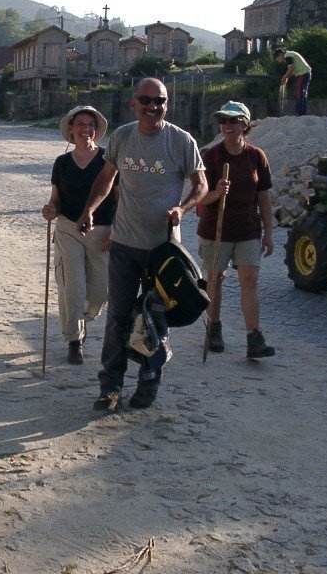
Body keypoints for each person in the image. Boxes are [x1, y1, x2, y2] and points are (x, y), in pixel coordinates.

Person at [78, 78, 206, 411]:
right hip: (124, 244)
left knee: (155, 318)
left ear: (167, 103)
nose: (153, 106)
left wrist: (183, 209)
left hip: (163, 250)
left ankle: (148, 384)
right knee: (118, 317)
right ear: (133, 103)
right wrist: (90, 210)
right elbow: (106, 180)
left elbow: (201, 185)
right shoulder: (122, 137)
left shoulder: (181, 141)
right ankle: (110, 387)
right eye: (146, 100)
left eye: (159, 100)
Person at [197, 101, 276, 359]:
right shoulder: (211, 156)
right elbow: (199, 196)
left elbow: (263, 197)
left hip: (247, 229)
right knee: (215, 279)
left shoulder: (256, 156)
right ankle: (214, 328)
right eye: (223, 120)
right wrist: (216, 193)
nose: (227, 125)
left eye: (233, 120)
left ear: (245, 124)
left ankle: (254, 338)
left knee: (250, 280)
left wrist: (268, 233)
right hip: (215, 229)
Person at [42, 105, 116, 365]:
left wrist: (117, 229)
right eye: (81, 124)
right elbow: (56, 199)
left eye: (90, 125)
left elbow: (120, 198)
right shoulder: (62, 163)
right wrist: (51, 210)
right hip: (68, 229)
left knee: (100, 292)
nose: (86, 129)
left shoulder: (108, 160)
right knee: (72, 286)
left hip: (102, 232)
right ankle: (74, 339)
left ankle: (81, 318)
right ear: (71, 129)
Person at [276, 48, 312, 115]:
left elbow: (291, 69)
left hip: (302, 74)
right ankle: (302, 112)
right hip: (306, 73)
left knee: (300, 93)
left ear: (280, 54)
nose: (279, 60)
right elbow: (292, 71)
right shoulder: (290, 53)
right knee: (302, 93)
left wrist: (284, 77)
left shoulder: (287, 56)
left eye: (278, 58)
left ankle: (301, 113)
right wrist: (286, 78)